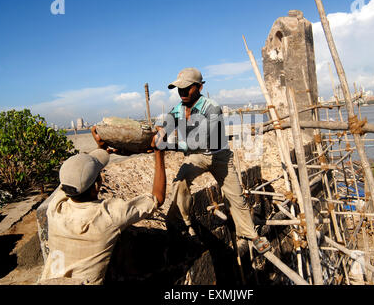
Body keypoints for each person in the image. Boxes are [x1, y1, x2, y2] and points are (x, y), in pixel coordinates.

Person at [160, 67, 271, 254]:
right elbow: (164, 129)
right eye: (179, 88)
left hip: (219, 155)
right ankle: (183, 224)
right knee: (179, 183)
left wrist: (169, 145)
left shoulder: (211, 107)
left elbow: (201, 139)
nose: (182, 92)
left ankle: (250, 234)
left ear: (199, 88)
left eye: (187, 88)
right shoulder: (177, 109)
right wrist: (158, 137)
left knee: (236, 196)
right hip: (196, 156)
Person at [39, 132, 166, 285]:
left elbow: (76, 177)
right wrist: (159, 152)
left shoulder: (55, 209)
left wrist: (100, 149)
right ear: (97, 187)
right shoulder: (108, 215)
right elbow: (157, 198)